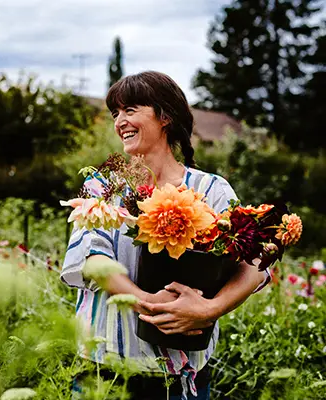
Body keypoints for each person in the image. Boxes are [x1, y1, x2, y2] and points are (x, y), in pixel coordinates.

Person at [61, 71, 270, 400]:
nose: (120, 122)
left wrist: (208, 309)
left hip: (182, 377)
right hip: (104, 369)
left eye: (130, 110)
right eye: (116, 113)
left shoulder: (211, 189)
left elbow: (255, 264)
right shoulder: (103, 187)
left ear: (165, 116)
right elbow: (91, 259)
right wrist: (145, 302)